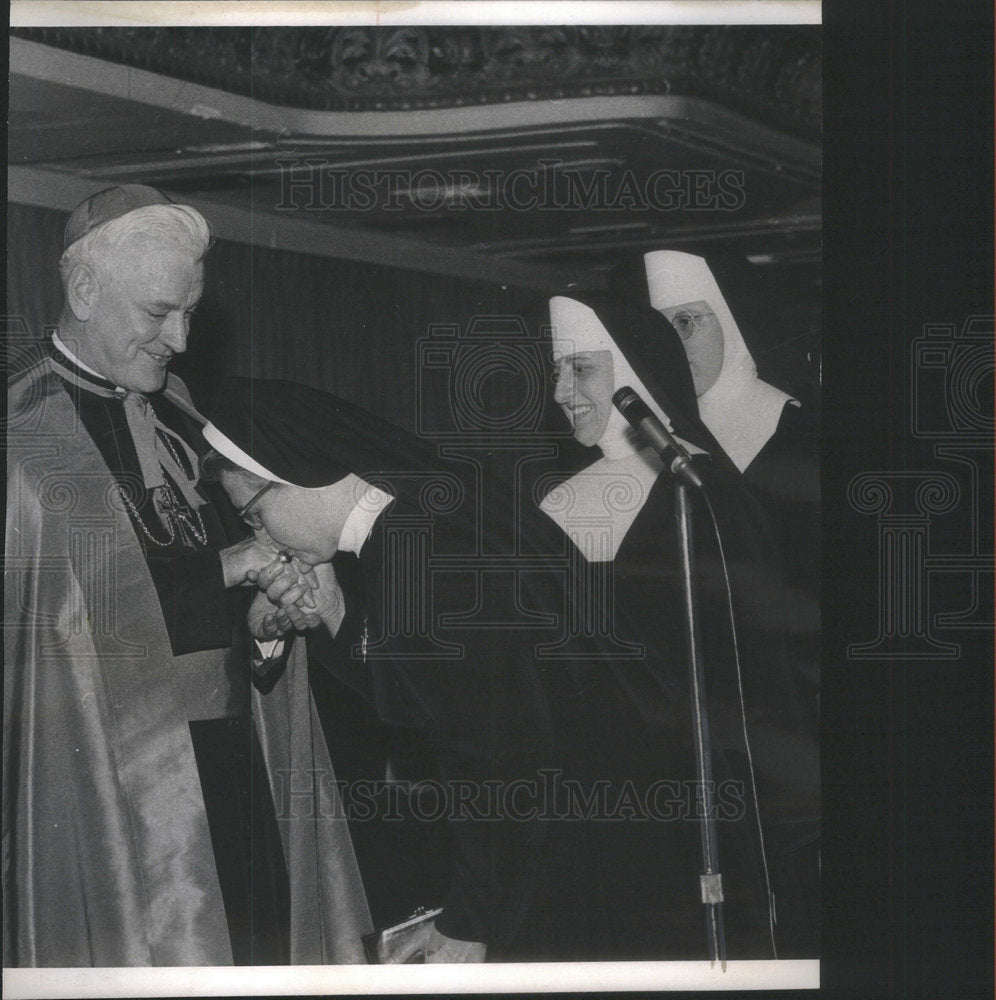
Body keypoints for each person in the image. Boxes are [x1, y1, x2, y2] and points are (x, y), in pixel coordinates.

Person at [4, 185, 371, 966]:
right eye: (159, 312)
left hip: (237, 766)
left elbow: (221, 591)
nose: (180, 337)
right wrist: (229, 567)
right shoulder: (20, 431)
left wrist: (263, 627)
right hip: (116, 788)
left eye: (191, 312)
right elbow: (63, 632)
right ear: (84, 290)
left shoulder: (181, 413)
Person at [199, 377, 559, 963]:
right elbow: (428, 700)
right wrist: (334, 610)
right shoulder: (411, 526)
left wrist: (473, 920)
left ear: (298, 472)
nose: (261, 539)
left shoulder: (421, 549)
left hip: (575, 862)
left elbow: (497, 752)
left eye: (256, 516)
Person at [522, 292, 819, 959]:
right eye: (557, 371)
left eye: (581, 369)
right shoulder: (555, 499)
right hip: (586, 797)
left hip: (691, 801)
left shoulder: (702, 492)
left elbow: (759, 670)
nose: (562, 392)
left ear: (631, 372)